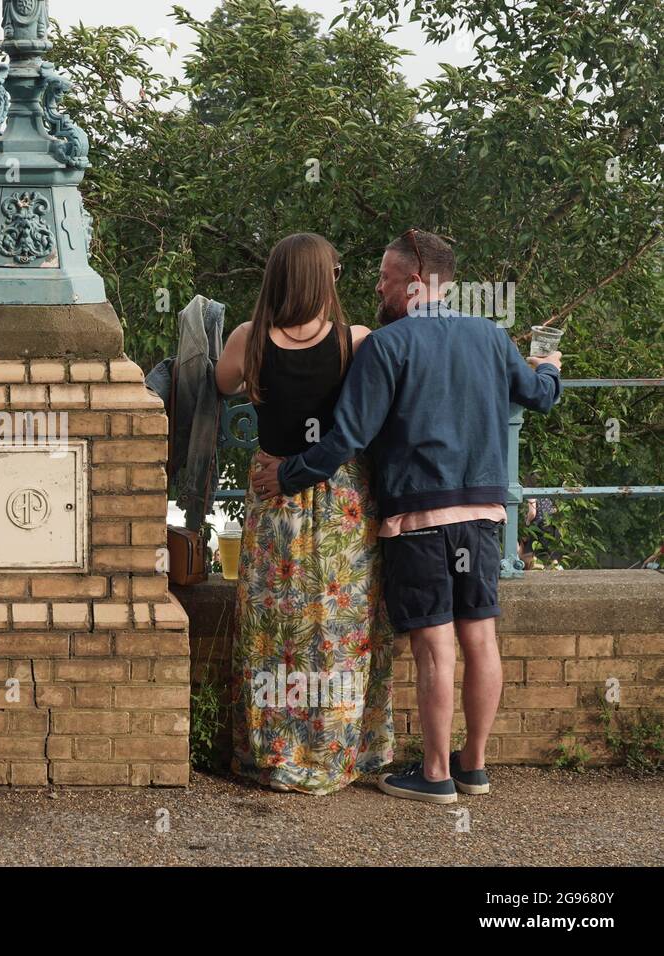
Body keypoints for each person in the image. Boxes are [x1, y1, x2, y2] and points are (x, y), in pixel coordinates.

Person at [254, 229, 562, 803]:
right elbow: (539, 396)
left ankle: (436, 773)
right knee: (481, 639)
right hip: (485, 513)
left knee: (434, 647)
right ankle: (475, 767)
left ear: (415, 284)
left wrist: (286, 475)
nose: (378, 287)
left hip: (419, 517)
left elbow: (345, 437)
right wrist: (548, 366)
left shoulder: (386, 346)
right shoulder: (491, 337)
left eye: (386, 279)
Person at [215, 233, 394, 794]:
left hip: (275, 495)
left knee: (275, 629)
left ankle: (275, 753)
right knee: (340, 629)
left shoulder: (249, 340)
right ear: (326, 278)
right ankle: (342, 753)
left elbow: (219, 384)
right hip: (340, 498)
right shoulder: (357, 341)